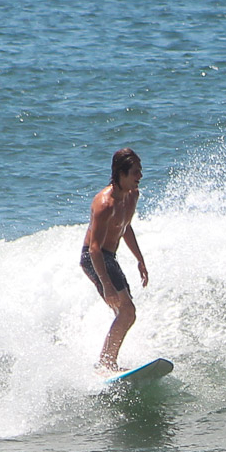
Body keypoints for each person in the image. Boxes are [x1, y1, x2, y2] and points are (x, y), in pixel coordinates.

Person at [79, 148, 149, 371]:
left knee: (126, 313)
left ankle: (105, 363)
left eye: (140, 171)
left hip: (109, 257)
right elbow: (95, 249)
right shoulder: (104, 204)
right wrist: (107, 285)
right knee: (127, 311)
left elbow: (125, 227)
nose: (140, 176)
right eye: (135, 172)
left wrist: (140, 259)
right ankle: (107, 363)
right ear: (121, 173)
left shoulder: (132, 196)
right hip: (94, 258)